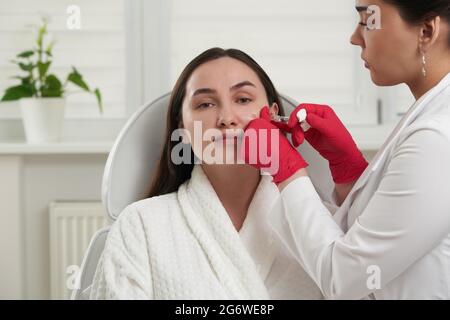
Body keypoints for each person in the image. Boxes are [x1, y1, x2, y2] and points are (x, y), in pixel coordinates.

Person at [242, 0, 450, 299]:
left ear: (427, 32)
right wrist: (350, 170)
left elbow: (345, 279)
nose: (355, 37)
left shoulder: (437, 138)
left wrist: (286, 171)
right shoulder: (429, 116)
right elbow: (385, 242)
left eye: (367, 21)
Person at [89, 47, 323, 299]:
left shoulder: (320, 226)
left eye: (243, 99)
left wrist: (351, 181)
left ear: (274, 115)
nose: (226, 118)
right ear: (183, 126)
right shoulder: (140, 225)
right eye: (205, 104)